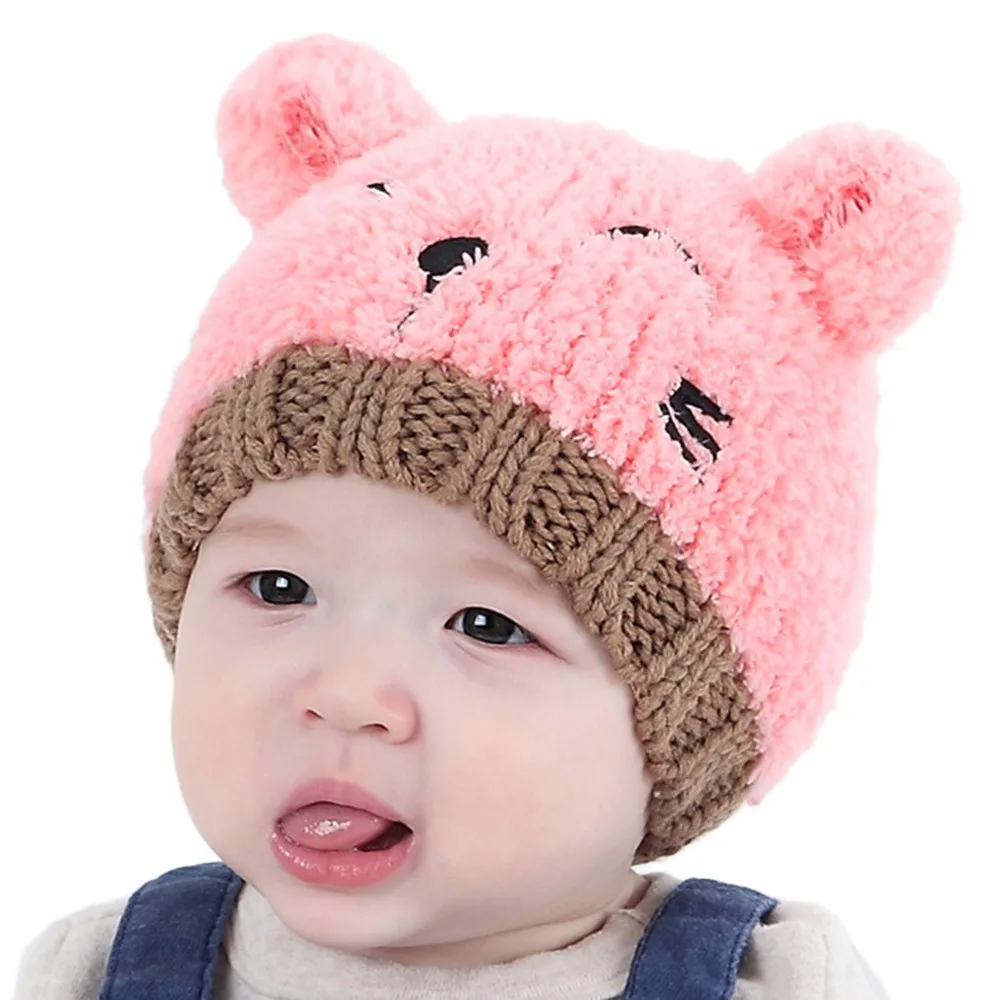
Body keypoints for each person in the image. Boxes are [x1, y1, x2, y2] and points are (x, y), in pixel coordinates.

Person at [14, 33, 960, 1000]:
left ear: (680, 735)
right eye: (279, 587)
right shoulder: (99, 970)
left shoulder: (772, 984)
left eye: (487, 625)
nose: (347, 695)